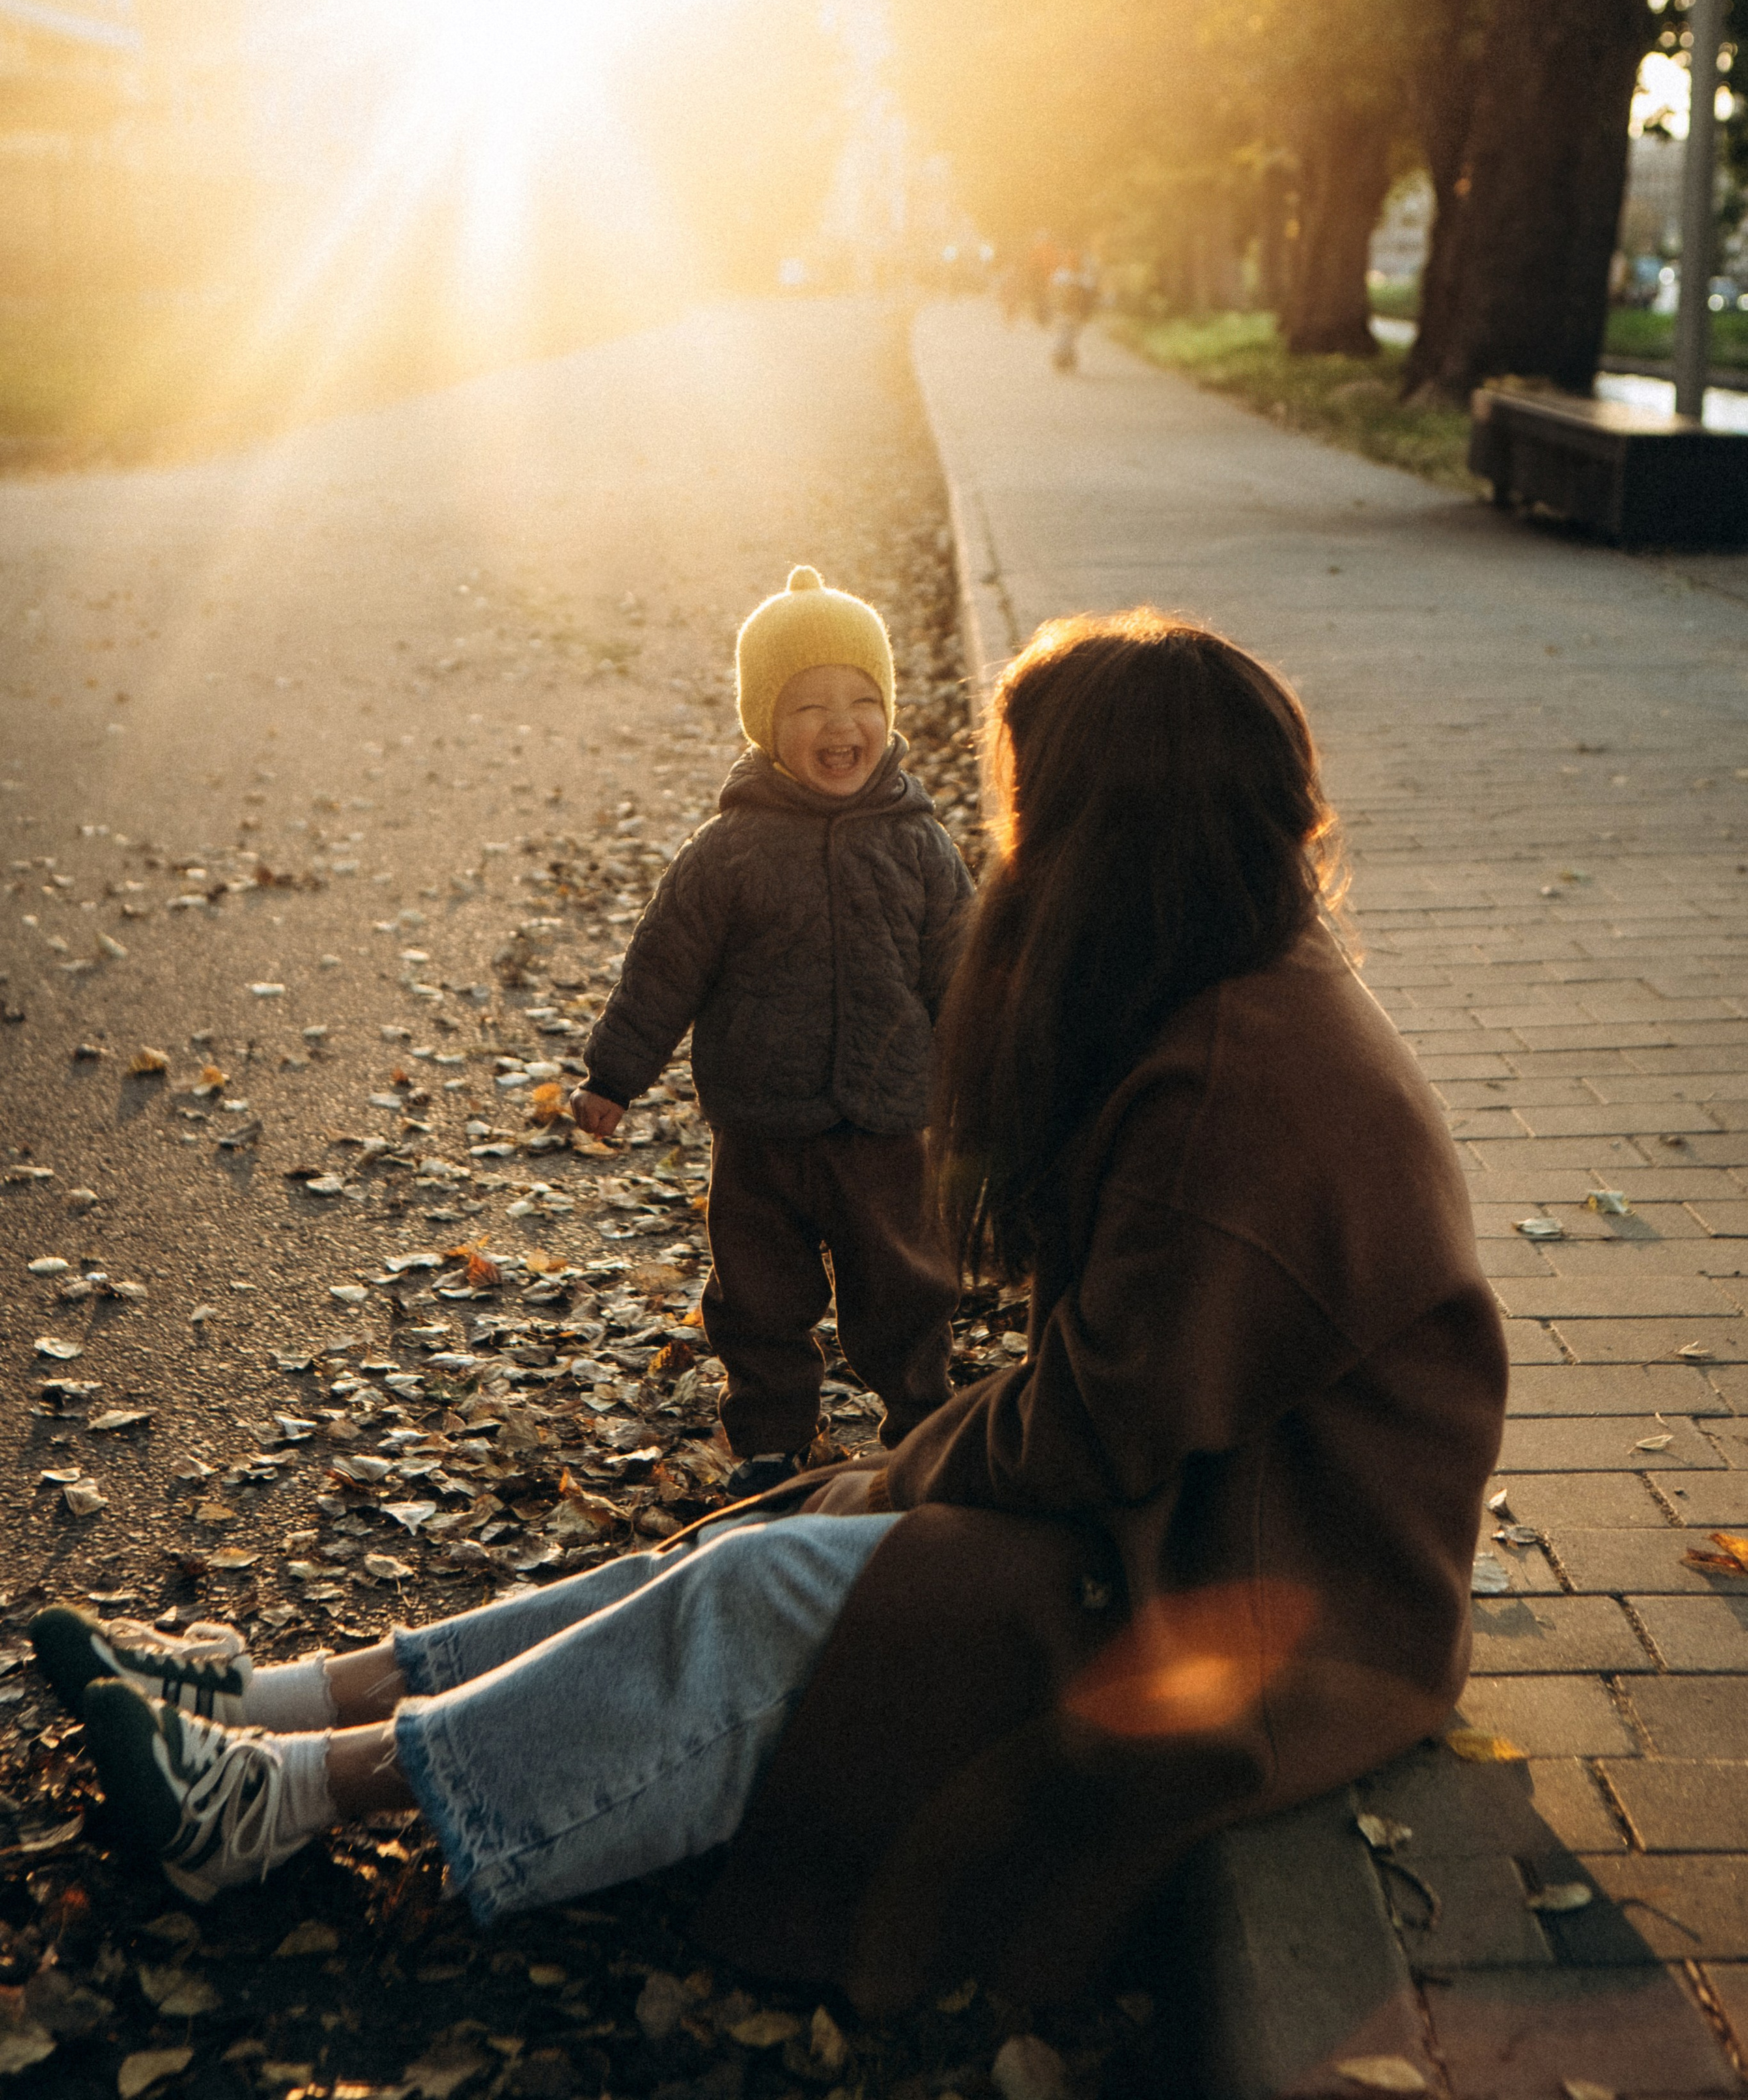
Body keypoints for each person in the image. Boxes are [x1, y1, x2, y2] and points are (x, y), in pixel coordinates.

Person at [38, 611, 1506, 2010]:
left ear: (1115, 830)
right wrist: (876, 1484)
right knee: (771, 1535)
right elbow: (1109, 1410)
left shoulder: (1237, 1084)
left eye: (1034, 812)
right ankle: (276, 1701)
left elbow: (1093, 1431)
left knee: (776, 1588)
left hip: (1276, 1603)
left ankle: (280, 1801)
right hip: (1194, 1531)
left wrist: (891, 1482)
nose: (1014, 847)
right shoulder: (1225, 984)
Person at [574, 563, 972, 1496]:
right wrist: (613, 1076)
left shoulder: (919, 842)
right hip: (759, 1127)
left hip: (885, 1120)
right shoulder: (730, 852)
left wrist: (990, 1074)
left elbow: (963, 967)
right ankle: (770, 1437)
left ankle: (918, 1417)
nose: (842, 726)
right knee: (758, 1295)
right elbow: (664, 968)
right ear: (765, 723)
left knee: (906, 1282)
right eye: (810, 707)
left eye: (863, 700)